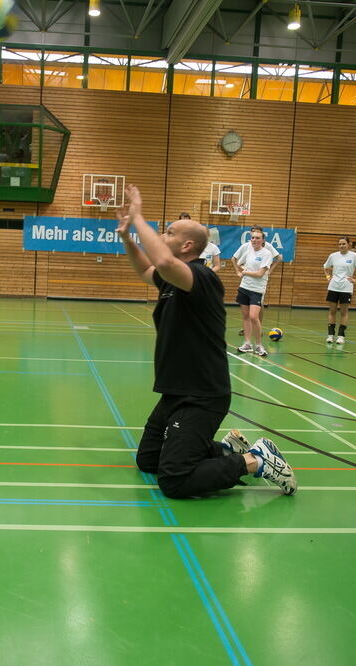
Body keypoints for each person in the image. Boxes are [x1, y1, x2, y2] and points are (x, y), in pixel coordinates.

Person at [115, 184, 296, 498]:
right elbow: (146, 268)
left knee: (174, 481)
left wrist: (139, 217)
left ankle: (257, 461)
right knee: (148, 460)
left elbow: (164, 263)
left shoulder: (202, 278)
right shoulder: (172, 281)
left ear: (187, 245)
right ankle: (225, 450)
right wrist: (127, 237)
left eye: (169, 232)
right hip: (175, 391)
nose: (163, 236)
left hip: (202, 395)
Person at [233, 228, 277, 357]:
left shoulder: (267, 254)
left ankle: (258, 345)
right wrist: (242, 270)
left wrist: (245, 272)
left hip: (257, 290)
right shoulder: (248, 251)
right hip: (244, 287)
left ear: (263, 240)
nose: (254, 240)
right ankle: (247, 344)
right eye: (252, 237)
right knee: (246, 317)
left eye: (257, 238)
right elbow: (238, 263)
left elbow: (260, 274)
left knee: (253, 317)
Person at [322, 236, 356, 344]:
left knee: (344, 312)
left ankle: (341, 336)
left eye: (343, 244)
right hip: (333, 287)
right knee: (332, 311)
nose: (341, 246)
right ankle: (330, 335)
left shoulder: (355, 256)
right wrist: (328, 277)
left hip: (346, 288)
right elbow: (325, 267)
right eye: (339, 244)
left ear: (348, 244)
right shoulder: (333, 256)